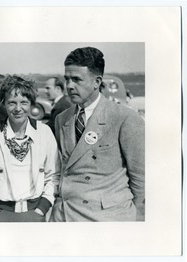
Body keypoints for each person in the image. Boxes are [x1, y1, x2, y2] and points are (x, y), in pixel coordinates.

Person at [49, 47, 145, 222]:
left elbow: (140, 179)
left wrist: (128, 215)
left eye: (77, 79)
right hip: (65, 216)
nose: (69, 86)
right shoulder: (62, 119)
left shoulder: (125, 117)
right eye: (67, 79)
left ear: (97, 82)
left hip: (106, 218)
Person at [0, 75, 60, 222]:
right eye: (12, 103)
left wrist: (42, 209)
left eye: (24, 102)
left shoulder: (44, 132)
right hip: (1, 214)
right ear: (4, 104)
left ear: (32, 104)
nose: (18, 109)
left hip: (35, 214)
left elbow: (54, 175)